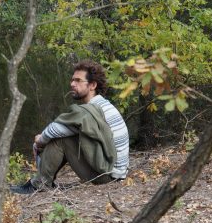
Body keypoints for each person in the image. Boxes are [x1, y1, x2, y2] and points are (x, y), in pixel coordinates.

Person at [11, 60, 129, 194]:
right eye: (72, 80)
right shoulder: (102, 106)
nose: (72, 84)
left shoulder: (91, 110)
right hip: (115, 173)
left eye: (78, 80)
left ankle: (39, 185)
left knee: (61, 140)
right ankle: (43, 180)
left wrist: (39, 141)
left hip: (108, 177)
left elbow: (55, 130)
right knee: (66, 135)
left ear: (92, 85)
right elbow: (63, 128)